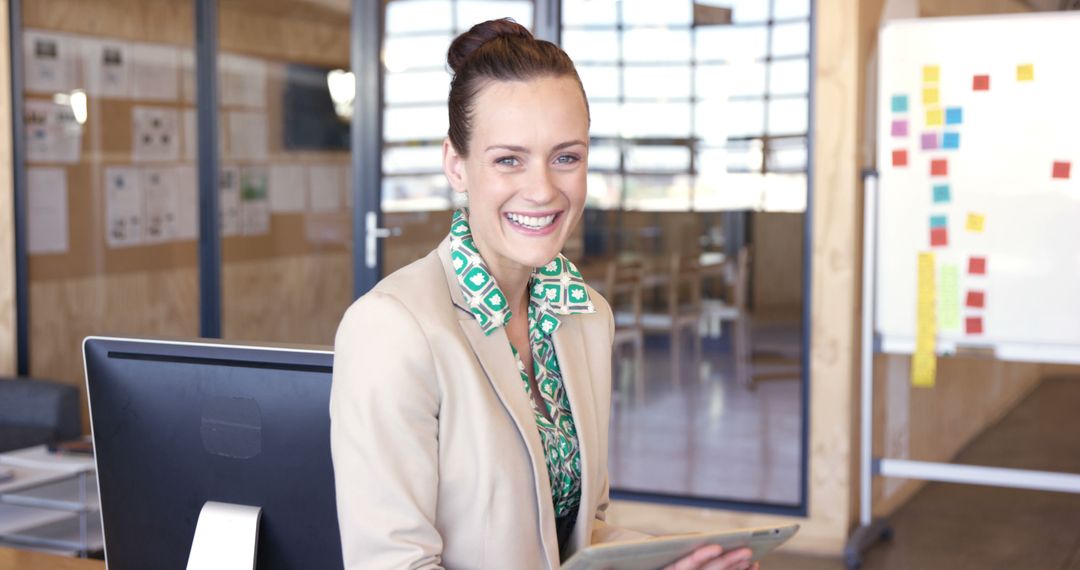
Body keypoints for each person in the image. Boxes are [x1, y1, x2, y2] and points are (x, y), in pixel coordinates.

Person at [330, 18, 759, 570]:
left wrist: (673, 562)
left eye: (566, 157)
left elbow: (579, 534)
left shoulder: (585, 317)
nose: (542, 190)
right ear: (456, 165)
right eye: (509, 159)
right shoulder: (392, 329)